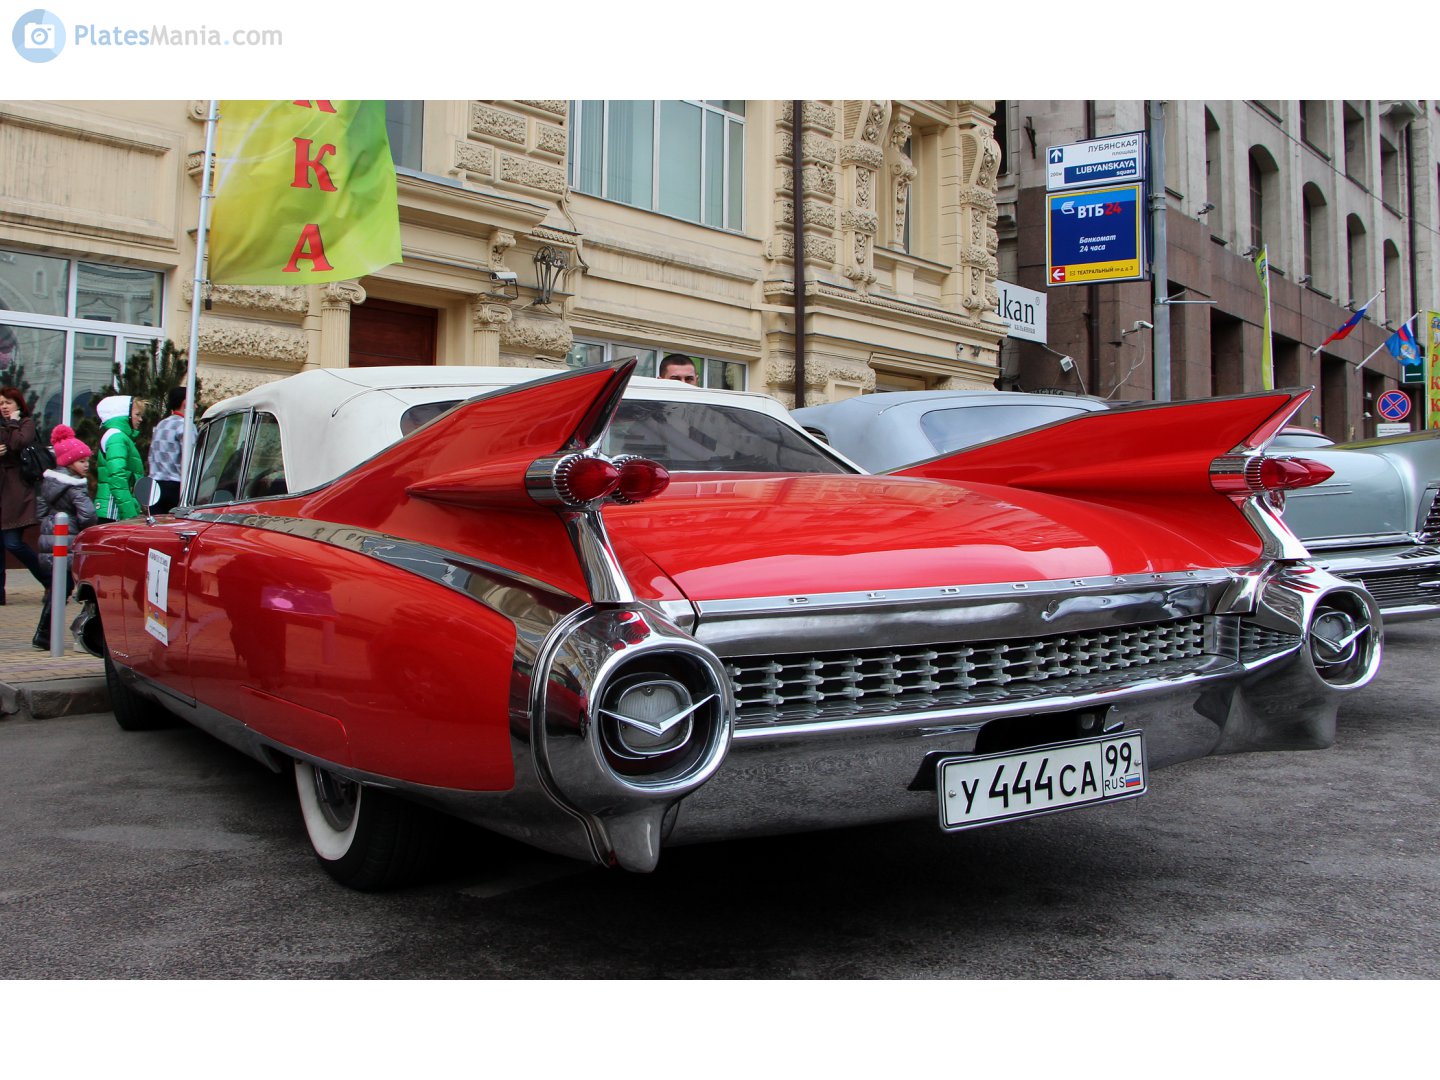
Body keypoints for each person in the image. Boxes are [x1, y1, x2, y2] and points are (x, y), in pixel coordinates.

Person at [32, 425, 97, 650]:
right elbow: (88, 514)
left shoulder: (49, 483)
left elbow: (40, 512)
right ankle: (46, 634)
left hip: (48, 541)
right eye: (81, 461)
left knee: (58, 589)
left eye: (87, 460)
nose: (86, 465)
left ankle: (44, 633)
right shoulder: (75, 487)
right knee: (67, 588)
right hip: (67, 544)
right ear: (69, 463)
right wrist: (85, 528)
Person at [0, 385, 46, 605]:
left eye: (8, 403)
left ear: (17, 403)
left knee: (13, 543)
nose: (4, 407)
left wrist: (13, 423)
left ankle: (50, 580)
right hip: (2, 488)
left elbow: (18, 442)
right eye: (1, 404)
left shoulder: (25, 423)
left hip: (17, 490)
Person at [95, 394, 146, 523]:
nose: (141, 419)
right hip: (114, 510)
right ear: (124, 414)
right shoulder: (117, 437)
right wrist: (130, 514)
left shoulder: (118, 437)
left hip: (114, 507)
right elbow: (117, 476)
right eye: (137, 414)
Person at [147, 385, 194, 514]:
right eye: (194, 402)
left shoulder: (161, 424)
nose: (195, 406)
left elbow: (151, 455)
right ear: (186, 403)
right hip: (176, 485)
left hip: (156, 485)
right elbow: (191, 458)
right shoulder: (186, 425)